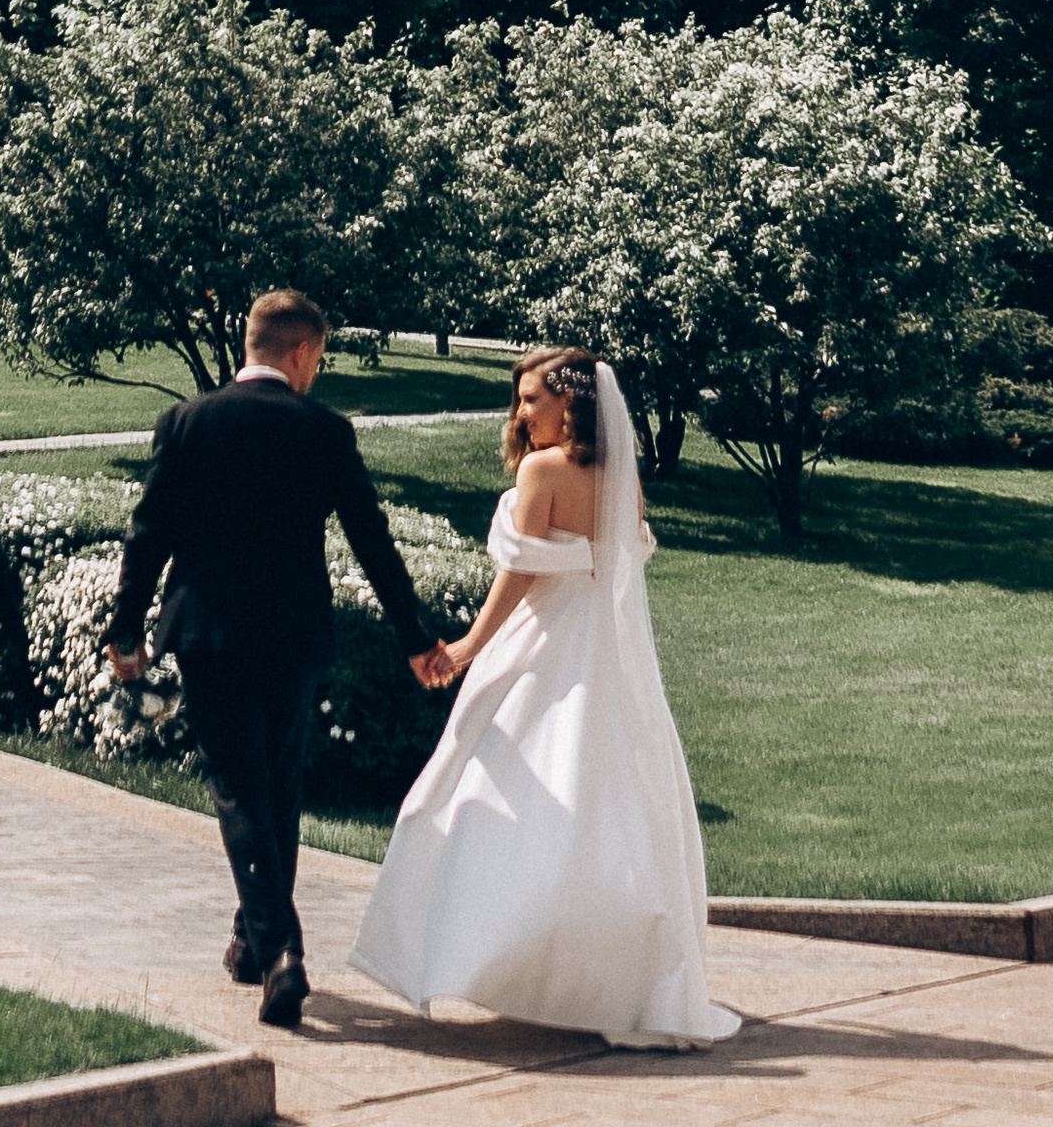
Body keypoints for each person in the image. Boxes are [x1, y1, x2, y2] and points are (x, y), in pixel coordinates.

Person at [350, 347, 739, 1050]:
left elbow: (522, 573)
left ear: (572, 404)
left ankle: (473, 953)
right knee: (607, 805)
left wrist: (468, 647)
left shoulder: (542, 471)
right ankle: (608, 979)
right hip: (609, 651)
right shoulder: (622, 478)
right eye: (520, 400)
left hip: (548, 641)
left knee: (469, 796)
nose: (521, 413)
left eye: (533, 399)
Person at [104, 289, 451, 1031]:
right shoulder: (323, 430)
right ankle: (252, 939)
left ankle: (278, 952)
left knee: (240, 790)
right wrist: (414, 636)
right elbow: (371, 539)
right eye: (318, 360)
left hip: (208, 636)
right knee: (277, 788)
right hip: (293, 636)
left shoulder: (188, 422)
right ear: (301, 352)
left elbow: (148, 536)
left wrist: (125, 632)